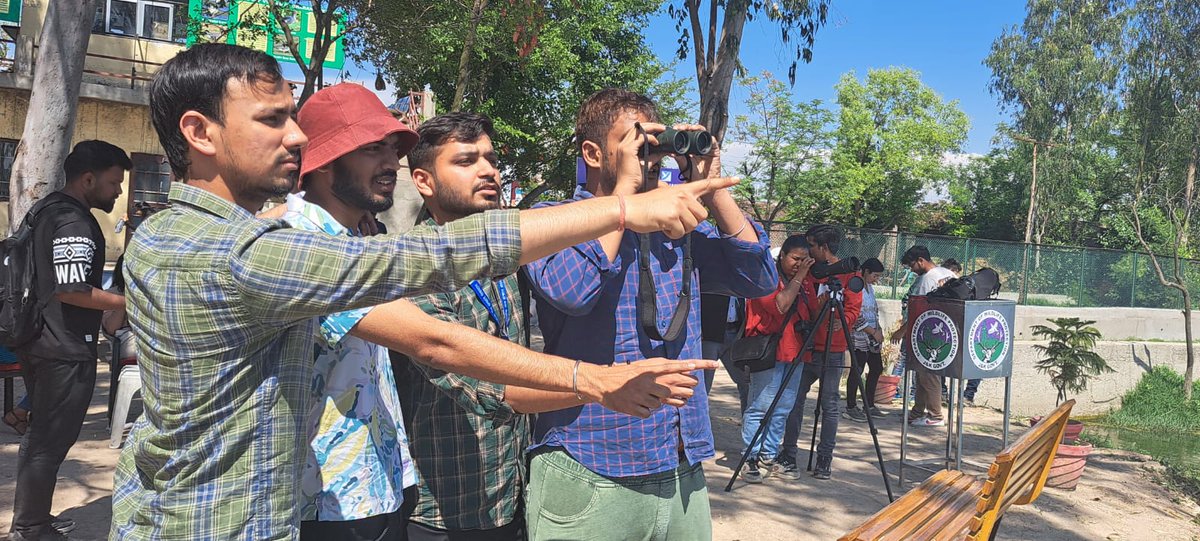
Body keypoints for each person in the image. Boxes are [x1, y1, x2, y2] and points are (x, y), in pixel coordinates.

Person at [109, 44, 727, 540]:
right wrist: (619, 213)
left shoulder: (222, 234)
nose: (295, 138)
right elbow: (433, 304)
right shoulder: (228, 250)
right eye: (273, 120)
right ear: (199, 132)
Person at [523, 88, 777, 540]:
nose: (651, 156)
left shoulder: (673, 228)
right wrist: (624, 198)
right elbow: (574, 292)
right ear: (593, 153)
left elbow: (759, 278)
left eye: (655, 142)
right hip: (590, 460)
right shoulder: (552, 218)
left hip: (680, 461)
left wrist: (710, 187)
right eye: (637, 144)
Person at [394, 111, 594, 540]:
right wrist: (599, 385)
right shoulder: (410, 266)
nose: (488, 170)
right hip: (444, 508)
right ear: (424, 181)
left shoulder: (504, 263)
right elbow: (486, 389)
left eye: (489, 158)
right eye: (466, 161)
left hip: (514, 492)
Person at [8, 141, 129, 541]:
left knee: (42, 437)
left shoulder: (46, 209)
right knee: (48, 442)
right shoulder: (73, 221)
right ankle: (30, 527)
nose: (117, 192)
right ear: (88, 178)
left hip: (41, 340)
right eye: (114, 183)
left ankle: (33, 518)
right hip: (62, 347)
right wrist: (128, 300)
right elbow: (72, 288)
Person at [772, 225, 861, 481]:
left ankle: (825, 458)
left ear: (823, 247)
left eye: (811, 245)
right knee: (794, 399)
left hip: (833, 349)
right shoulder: (809, 272)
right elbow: (805, 306)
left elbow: (854, 309)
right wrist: (817, 307)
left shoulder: (848, 274)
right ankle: (788, 453)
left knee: (829, 404)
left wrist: (841, 318)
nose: (807, 250)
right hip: (808, 345)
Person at [739, 234, 814, 483]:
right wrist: (800, 278)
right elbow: (780, 306)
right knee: (760, 407)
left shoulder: (803, 283)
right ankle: (748, 456)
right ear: (782, 255)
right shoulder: (765, 278)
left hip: (795, 353)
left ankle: (768, 454)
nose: (800, 264)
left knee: (783, 409)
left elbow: (810, 314)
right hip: (770, 352)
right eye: (795, 258)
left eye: (805, 260)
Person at [889, 245, 957, 427]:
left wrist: (901, 331)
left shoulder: (927, 280)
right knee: (921, 372)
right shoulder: (948, 274)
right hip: (947, 330)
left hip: (928, 331)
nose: (911, 270)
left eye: (912, 265)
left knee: (928, 373)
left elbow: (916, 311)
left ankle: (935, 415)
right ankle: (917, 411)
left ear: (921, 260)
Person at [844, 257, 887, 423]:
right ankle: (851, 406)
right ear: (866, 271)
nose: (876, 279)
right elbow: (855, 314)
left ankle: (869, 404)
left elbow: (874, 310)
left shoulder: (869, 287)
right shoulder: (855, 286)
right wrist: (871, 331)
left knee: (876, 367)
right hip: (859, 335)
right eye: (875, 275)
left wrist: (879, 330)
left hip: (873, 335)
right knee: (857, 369)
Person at [700, 293, 747, 407]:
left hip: (736, 332)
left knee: (746, 382)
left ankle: (751, 423)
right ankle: (697, 422)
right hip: (709, 334)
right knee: (702, 386)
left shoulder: (739, 278)